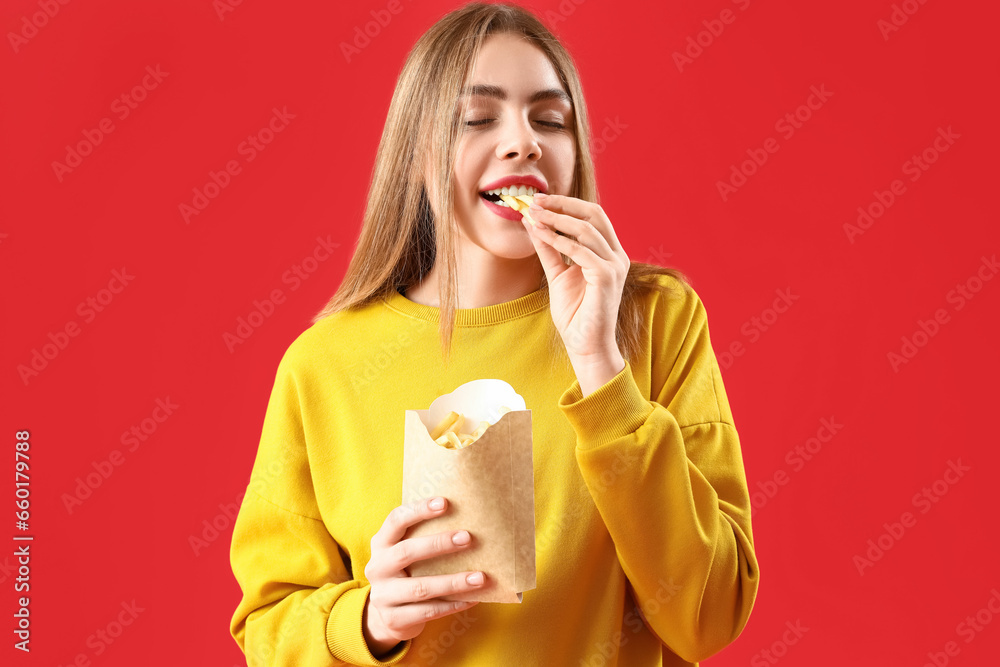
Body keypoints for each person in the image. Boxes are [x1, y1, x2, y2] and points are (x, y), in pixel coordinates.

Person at [228, 3, 759, 665]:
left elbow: (710, 613)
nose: (523, 141)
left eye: (551, 119)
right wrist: (365, 619)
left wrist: (601, 367)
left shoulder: (656, 320)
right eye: (478, 118)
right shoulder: (323, 366)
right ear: (417, 157)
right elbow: (268, 627)